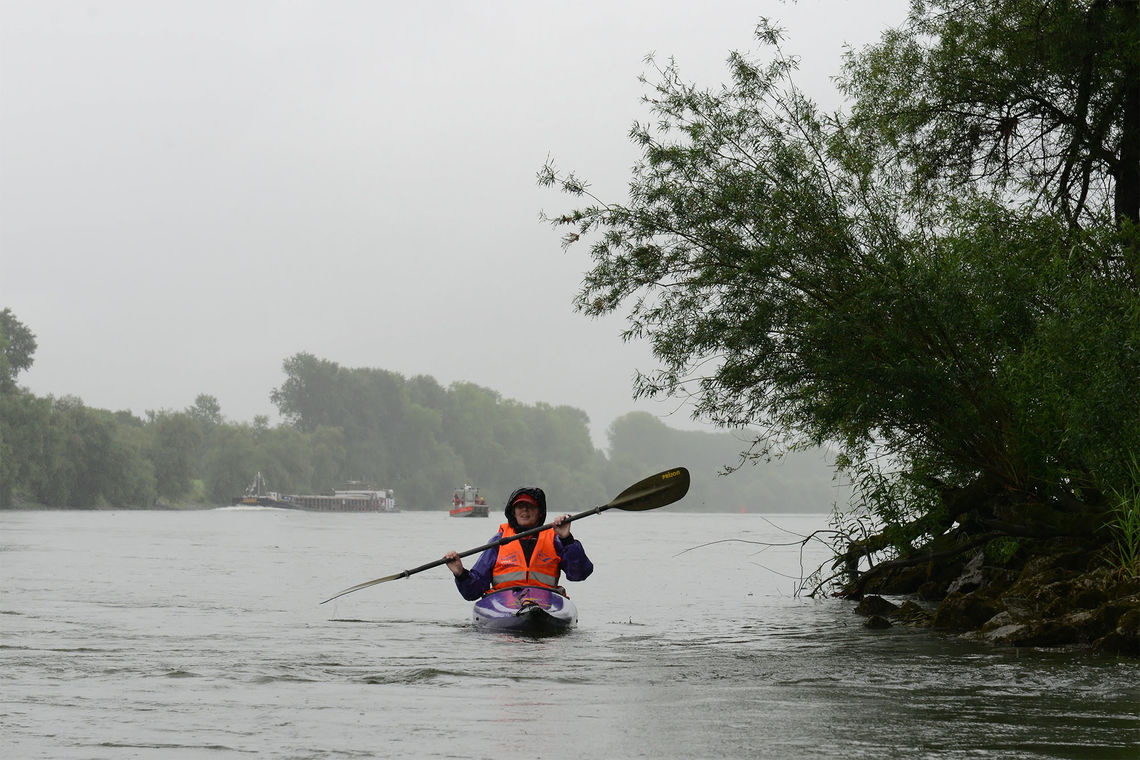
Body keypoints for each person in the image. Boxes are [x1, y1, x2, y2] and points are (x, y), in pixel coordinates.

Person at [443, 486, 593, 601]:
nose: (525, 510)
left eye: (530, 506)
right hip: (504, 602)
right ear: (513, 512)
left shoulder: (556, 540)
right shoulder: (498, 542)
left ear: (540, 512)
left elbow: (579, 574)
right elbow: (473, 592)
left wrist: (567, 539)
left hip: (546, 602)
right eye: (520, 506)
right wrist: (460, 573)